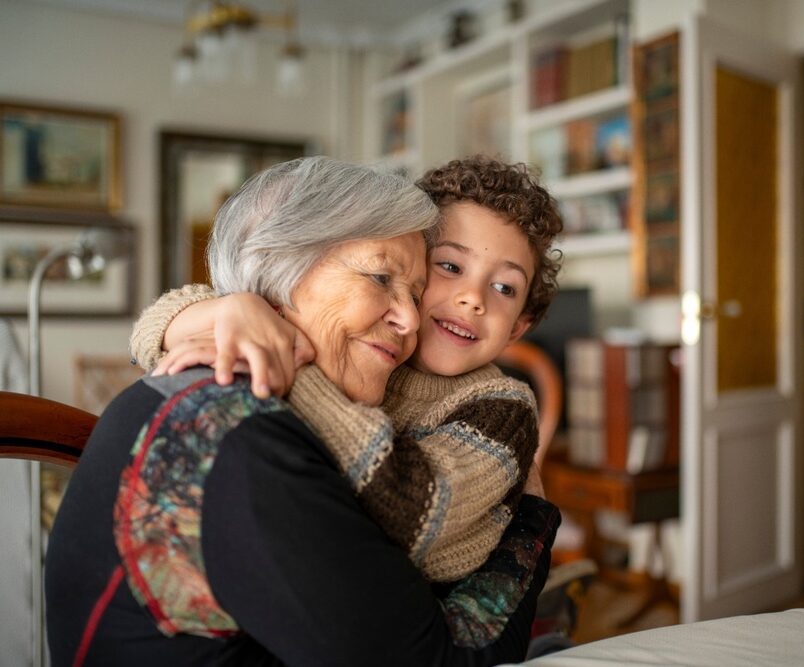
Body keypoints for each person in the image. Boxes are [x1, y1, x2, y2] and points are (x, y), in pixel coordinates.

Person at [45, 157, 560, 666]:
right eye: (382, 277)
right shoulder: (245, 434)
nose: (409, 317)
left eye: (415, 290)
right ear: (282, 270)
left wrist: (265, 342)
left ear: (520, 325)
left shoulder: (490, 404)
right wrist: (227, 315)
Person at [130, 156, 564, 582]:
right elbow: (150, 329)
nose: (473, 298)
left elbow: (414, 511)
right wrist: (230, 312)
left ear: (518, 328)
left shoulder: (503, 407)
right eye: (449, 267)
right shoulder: (370, 353)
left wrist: (289, 359)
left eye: (505, 287)